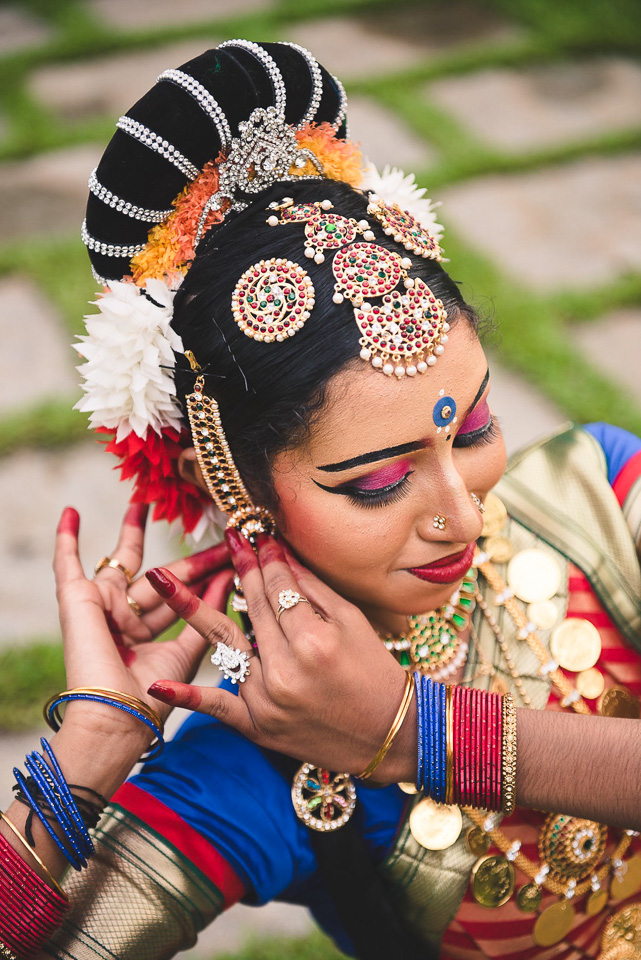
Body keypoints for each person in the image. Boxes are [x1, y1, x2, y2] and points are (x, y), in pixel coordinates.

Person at [1, 39, 640, 960]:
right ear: (226, 485)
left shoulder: (601, 494)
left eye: (470, 430)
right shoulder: (254, 767)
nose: (461, 513)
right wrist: (91, 750)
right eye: (378, 481)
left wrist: (419, 734)